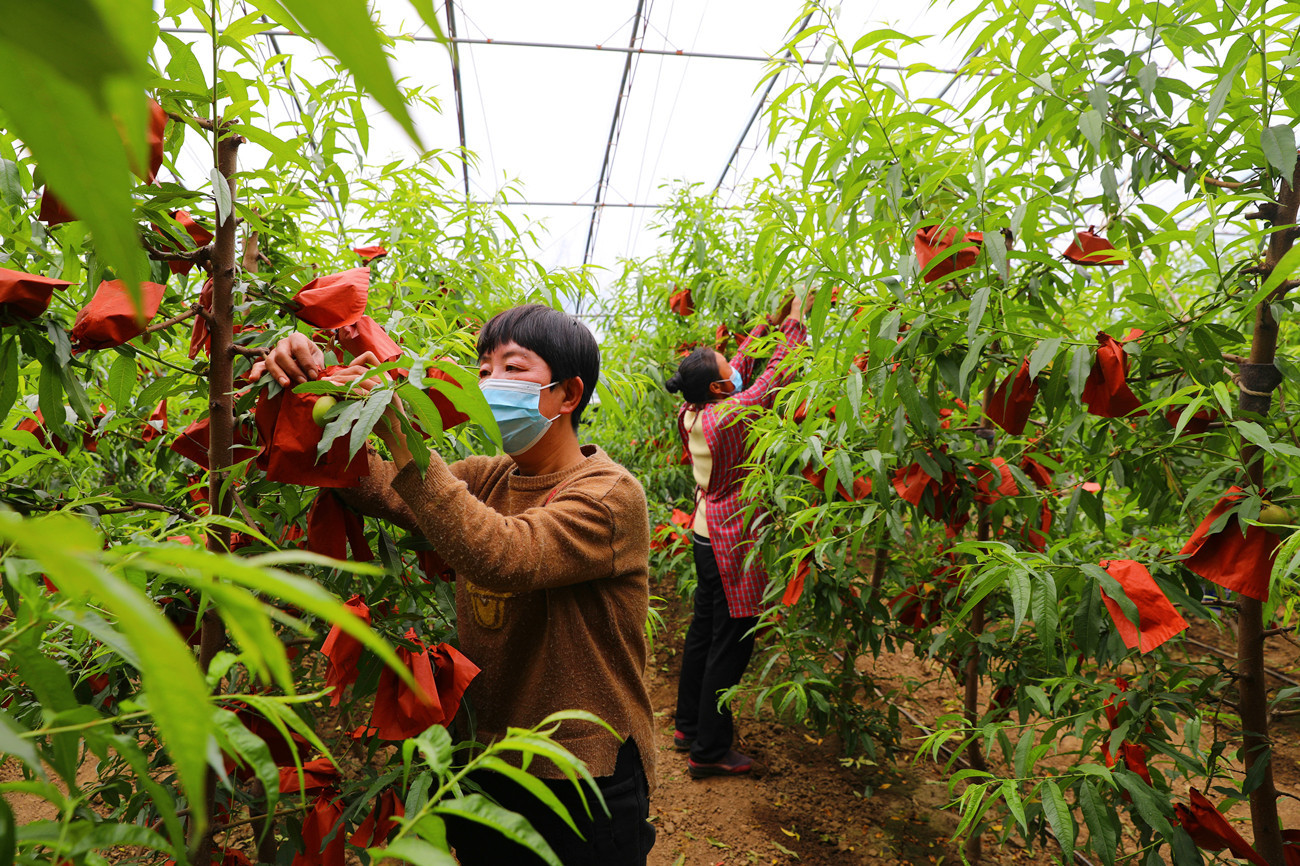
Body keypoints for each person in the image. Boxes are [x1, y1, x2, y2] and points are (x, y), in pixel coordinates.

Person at [262, 304, 657, 865]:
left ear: (568, 394)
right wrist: (316, 385)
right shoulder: (491, 474)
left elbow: (504, 555)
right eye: (484, 367)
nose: (491, 382)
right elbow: (381, 489)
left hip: (582, 771)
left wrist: (397, 424)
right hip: (486, 759)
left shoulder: (609, 494)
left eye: (514, 368)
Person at [664, 293, 809, 779]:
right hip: (730, 541)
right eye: (728, 371)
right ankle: (709, 751)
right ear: (719, 386)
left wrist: (767, 321)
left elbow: (743, 365)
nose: (737, 370)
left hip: (706, 535)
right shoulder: (726, 417)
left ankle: (688, 725)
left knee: (704, 633)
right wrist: (793, 325)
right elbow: (770, 381)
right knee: (731, 643)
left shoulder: (694, 411)